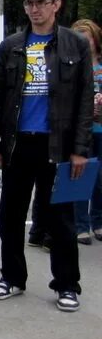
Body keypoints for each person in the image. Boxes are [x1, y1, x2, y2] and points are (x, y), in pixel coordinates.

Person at [0, 0, 92, 313]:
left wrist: (80, 149)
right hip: (18, 145)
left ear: (56, 5)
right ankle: (12, 277)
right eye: (30, 3)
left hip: (58, 146)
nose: (34, 8)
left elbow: (85, 100)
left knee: (61, 219)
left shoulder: (76, 45)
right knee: (10, 217)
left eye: (41, 2)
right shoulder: (12, 45)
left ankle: (66, 284)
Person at [70, 19, 102, 245]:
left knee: (100, 179)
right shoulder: (71, 66)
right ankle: (80, 225)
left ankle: (98, 221)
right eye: (78, 36)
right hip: (81, 131)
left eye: (86, 36)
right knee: (81, 176)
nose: (83, 40)